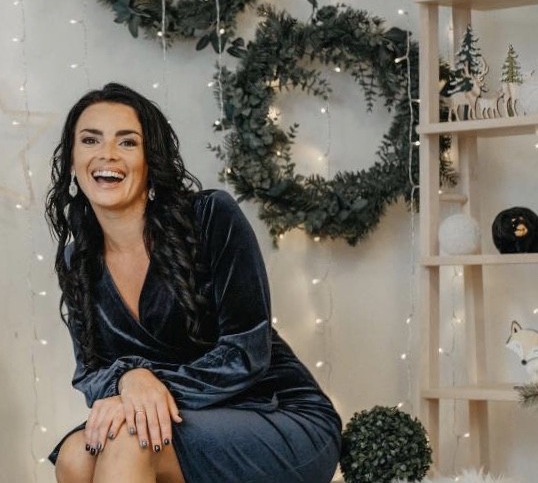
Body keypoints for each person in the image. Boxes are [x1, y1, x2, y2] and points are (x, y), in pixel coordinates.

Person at [45, 82, 342, 483]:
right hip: (181, 419)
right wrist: (129, 380)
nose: (107, 154)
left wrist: (150, 389)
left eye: (127, 142)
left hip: (276, 413)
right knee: (76, 455)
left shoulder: (210, 217)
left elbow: (246, 352)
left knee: (131, 439)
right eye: (90, 140)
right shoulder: (77, 260)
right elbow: (89, 373)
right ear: (72, 159)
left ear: (151, 160)